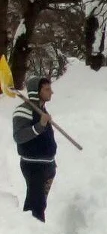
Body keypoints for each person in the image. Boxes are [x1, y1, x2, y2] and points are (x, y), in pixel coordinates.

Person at [12, 77, 57, 222]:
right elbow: (19, 136)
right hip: (33, 166)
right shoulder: (23, 110)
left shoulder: (42, 110)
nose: (51, 92)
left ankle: (31, 231)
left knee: (39, 203)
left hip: (47, 166)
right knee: (36, 204)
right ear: (35, 92)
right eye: (47, 89)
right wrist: (40, 125)